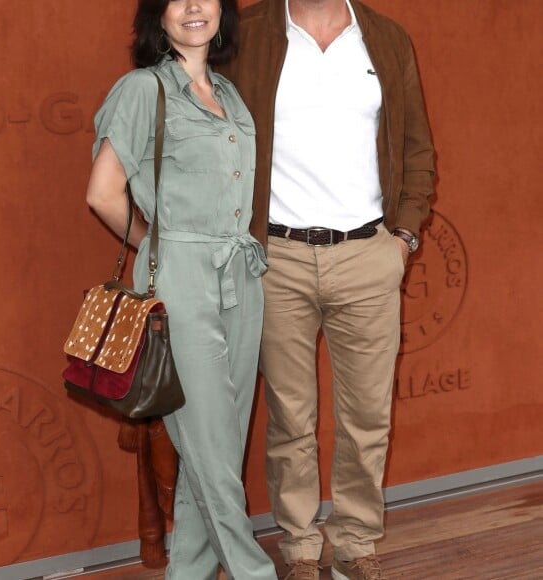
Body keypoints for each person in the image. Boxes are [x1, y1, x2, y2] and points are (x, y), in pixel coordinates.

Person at [220, 0, 435, 578]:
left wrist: (404, 238)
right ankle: (299, 548)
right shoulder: (247, 33)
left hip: (368, 254)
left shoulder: (385, 38)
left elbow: (417, 148)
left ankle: (357, 542)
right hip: (278, 257)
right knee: (290, 417)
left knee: (367, 416)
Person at [85, 0, 278, 578]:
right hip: (183, 276)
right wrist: (160, 244)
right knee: (213, 453)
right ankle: (254, 573)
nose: (194, 8)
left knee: (213, 451)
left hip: (242, 273)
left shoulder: (231, 93)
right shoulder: (143, 89)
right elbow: (102, 192)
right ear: (158, 17)